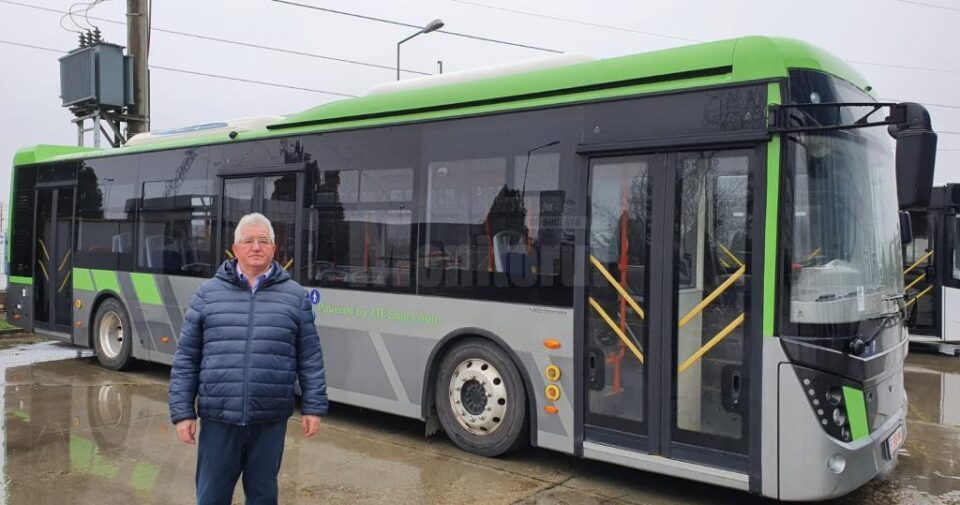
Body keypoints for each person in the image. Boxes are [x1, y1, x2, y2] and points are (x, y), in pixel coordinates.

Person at [169, 212, 327, 505]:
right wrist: (182, 412)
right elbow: (187, 357)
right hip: (219, 418)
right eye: (249, 241)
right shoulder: (207, 294)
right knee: (211, 497)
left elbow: (310, 357)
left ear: (273, 249)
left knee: (263, 497)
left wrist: (313, 407)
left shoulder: (294, 297)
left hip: (269, 420)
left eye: (263, 241)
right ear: (236, 248)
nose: (256, 246)